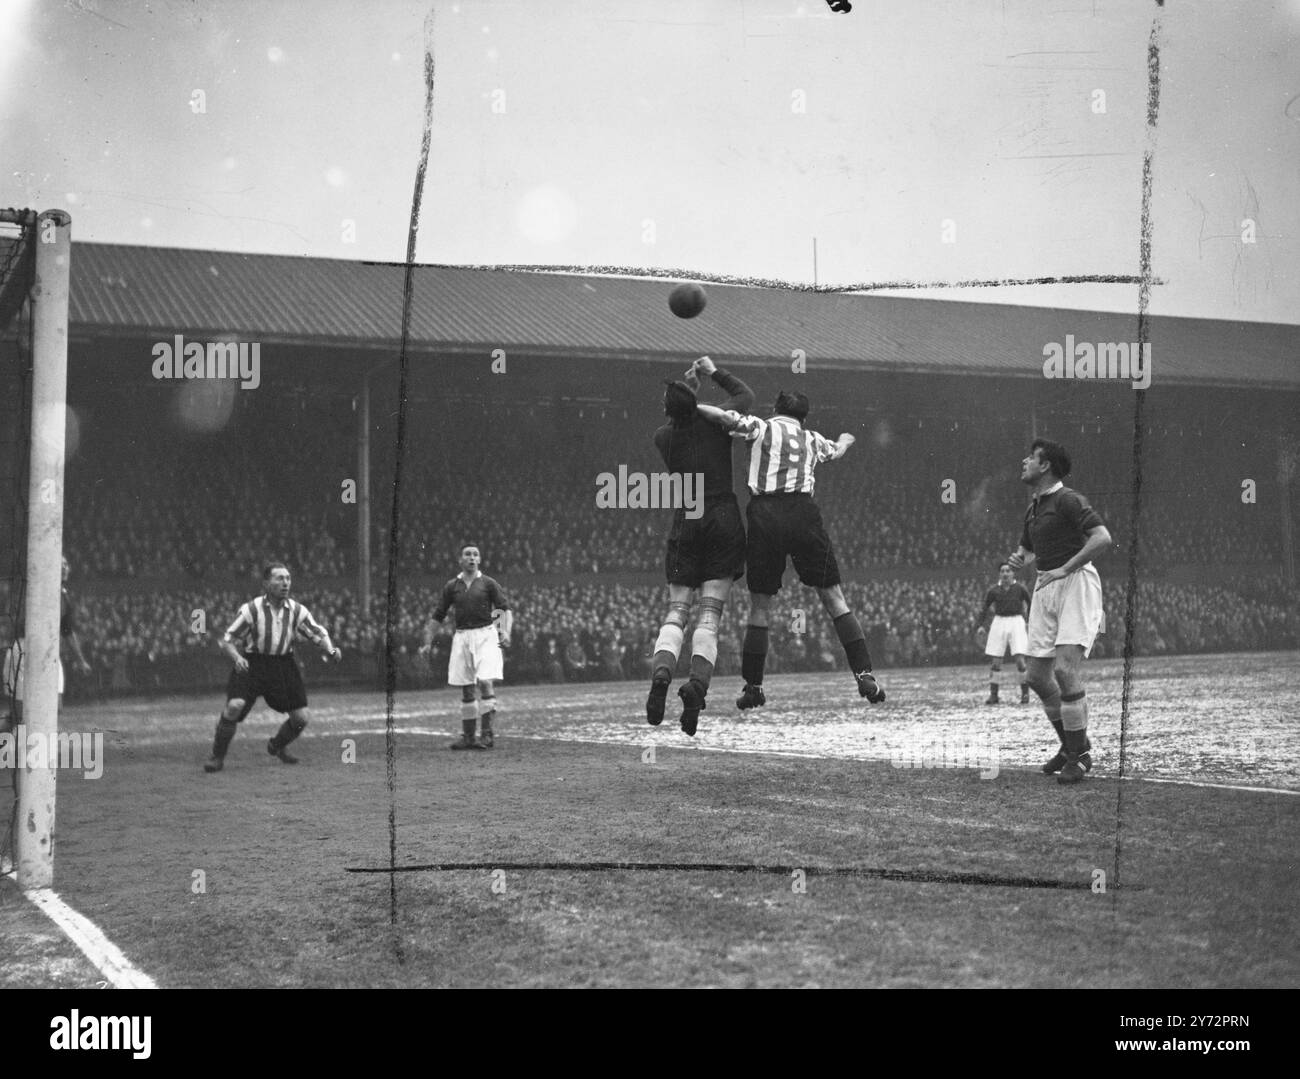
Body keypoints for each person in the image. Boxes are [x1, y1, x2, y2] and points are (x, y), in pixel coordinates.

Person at [696, 390, 886, 708]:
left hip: (765, 514)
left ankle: (753, 686)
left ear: (775, 409)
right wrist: (845, 440)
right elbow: (836, 451)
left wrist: (692, 405)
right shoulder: (811, 438)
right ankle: (864, 673)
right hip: (803, 513)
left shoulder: (761, 427)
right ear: (804, 417)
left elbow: (723, 417)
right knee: (835, 599)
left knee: (760, 606)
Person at [647, 355, 753, 736]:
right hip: (723, 518)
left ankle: (661, 675)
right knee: (709, 617)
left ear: (667, 410)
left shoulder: (663, 438)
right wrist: (711, 373)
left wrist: (687, 390)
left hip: (687, 520)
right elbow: (744, 395)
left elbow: (679, 416)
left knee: (677, 612)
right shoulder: (717, 426)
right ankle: (696, 687)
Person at [1008, 438, 1112, 784]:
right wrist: (1019, 559)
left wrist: (1066, 568)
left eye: (1031, 457)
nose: (1024, 461)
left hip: (1076, 584)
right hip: (1045, 586)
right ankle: (1071, 745)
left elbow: (1102, 537)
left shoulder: (1068, 499)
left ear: (1046, 465)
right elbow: (1026, 552)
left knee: (1066, 671)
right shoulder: (1034, 508)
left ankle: (1080, 757)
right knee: (1037, 677)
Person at [204, 562, 341, 772]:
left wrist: (331, 650)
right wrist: (237, 658)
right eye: (279, 578)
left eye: (287, 578)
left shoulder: (296, 610)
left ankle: (277, 746)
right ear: (266, 583)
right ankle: (217, 756)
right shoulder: (252, 609)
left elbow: (317, 633)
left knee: (301, 719)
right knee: (234, 706)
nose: (285, 583)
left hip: (282, 665)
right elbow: (228, 639)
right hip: (253, 663)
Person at [420, 545, 512, 750]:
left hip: (486, 635)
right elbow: (438, 615)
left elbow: (504, 609)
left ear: (479, 559)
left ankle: (487, 735)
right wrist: (427, 642)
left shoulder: (488, 583)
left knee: (485, 681)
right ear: (460, 560)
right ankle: (469, 737)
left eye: (475, 554)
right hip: (462, 636)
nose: (472, 557)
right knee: (467, 687)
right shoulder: (452, 586)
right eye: (467, 554)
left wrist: (505, 631)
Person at [974, 561, 1031, 704]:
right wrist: (980, 625)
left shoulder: (1020, 588)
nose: (1005, 573)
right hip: (999, 622)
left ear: (1013, 573)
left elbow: (1031, 604)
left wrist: (1030, 621)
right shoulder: (993, 591)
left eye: (1008, 571)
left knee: (1020, 661)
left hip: (1017, 621)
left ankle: (1025, 694)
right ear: (1000, 574)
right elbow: (984, 608)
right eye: (1003, 571)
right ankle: (994, 695)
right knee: (996, 661)